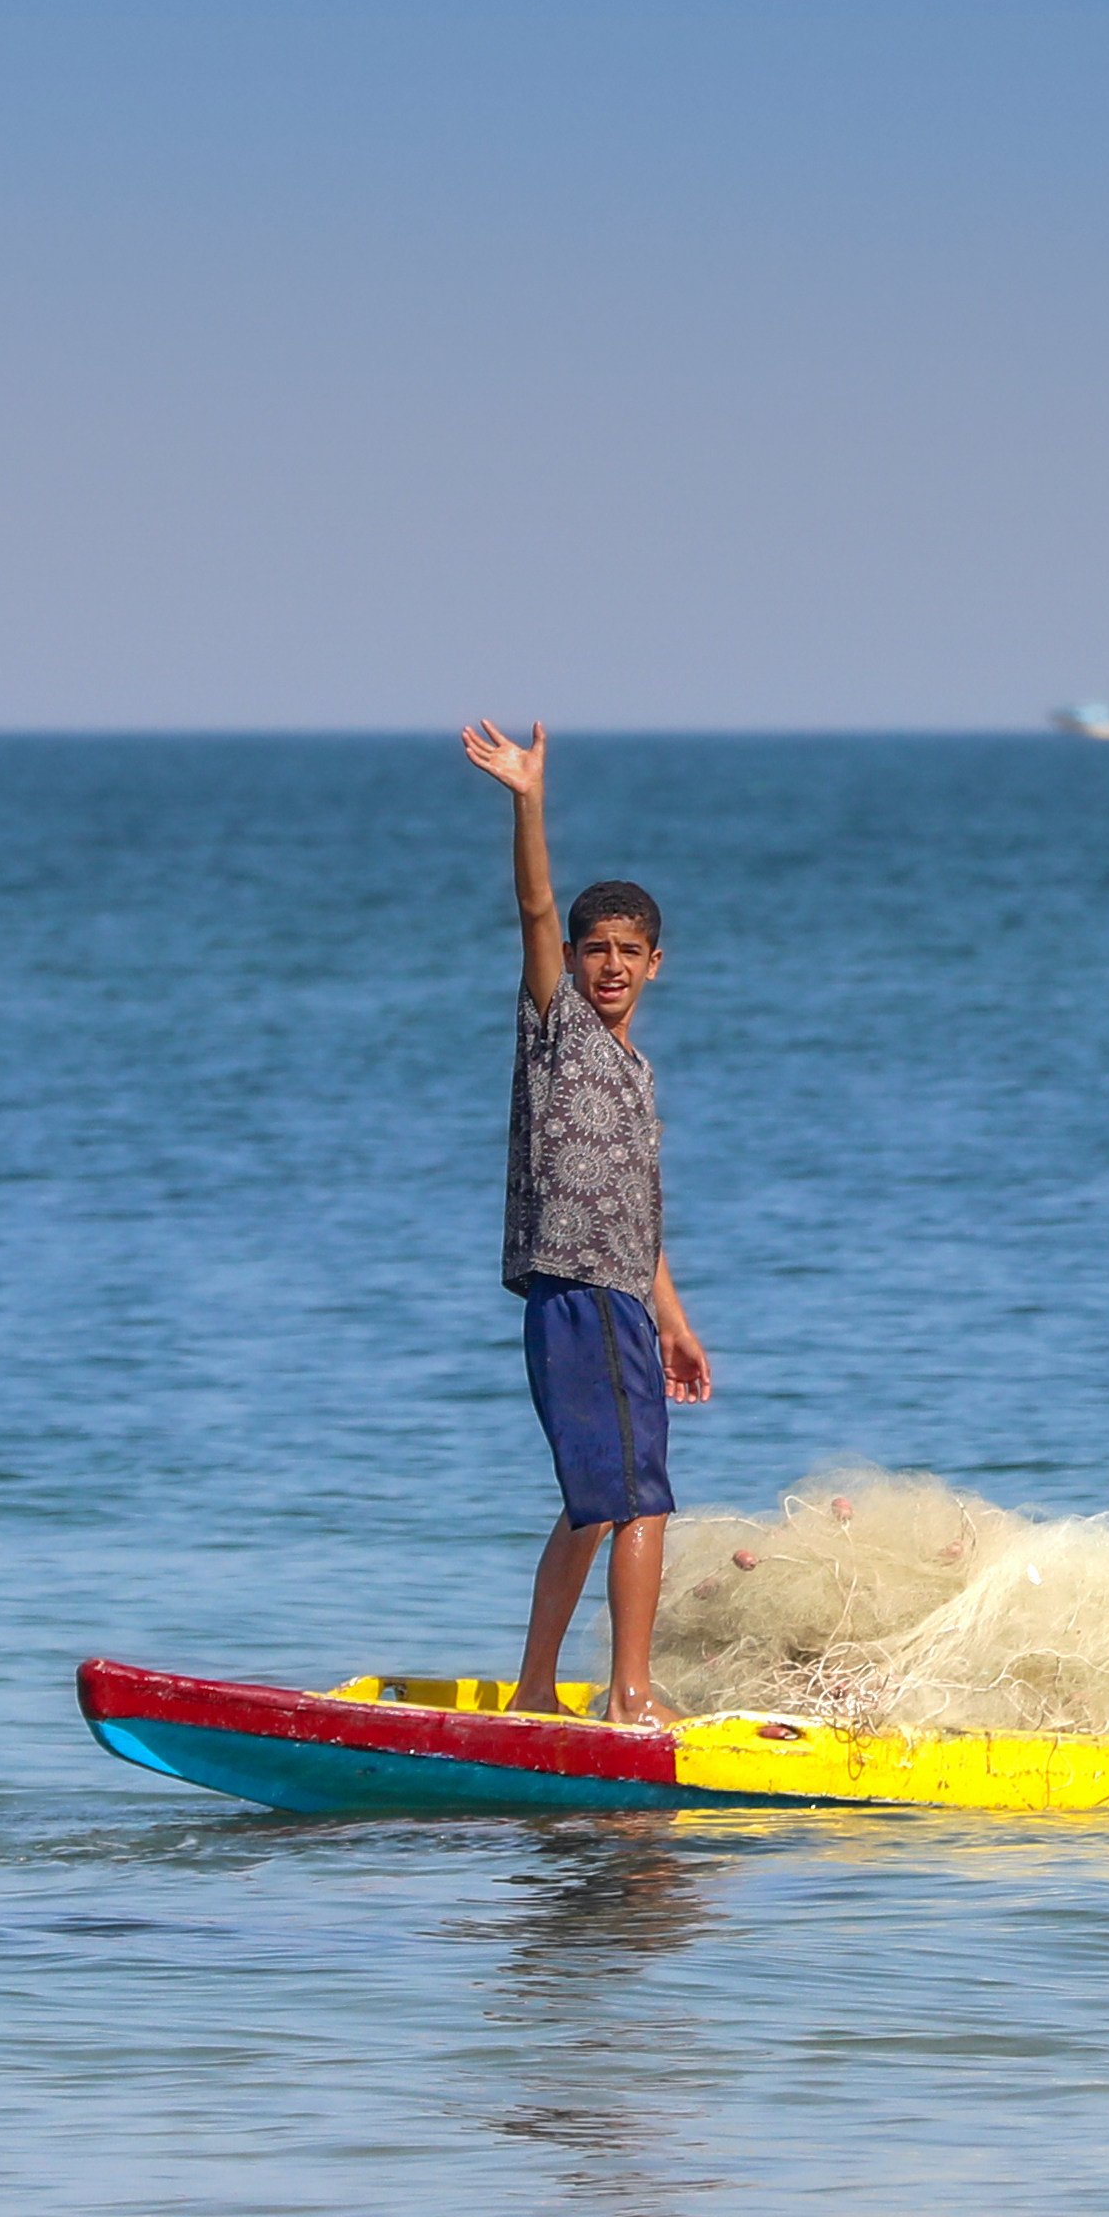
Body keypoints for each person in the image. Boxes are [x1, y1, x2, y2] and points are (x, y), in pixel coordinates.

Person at [461, 719, 713, 1722]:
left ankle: (532, 1690)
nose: (610, 965)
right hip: (574, 1301)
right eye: (594, 949)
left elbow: (636, 1219)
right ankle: (633, 1698)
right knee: (639, 1500)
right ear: (571, 958)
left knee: (597, 1505)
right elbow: (529, 903)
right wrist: (527, 799)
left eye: (628, 952)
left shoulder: (638, 1074)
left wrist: (676, 1322)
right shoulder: (556, 1026)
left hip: (619, 1302)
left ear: (657, 964)